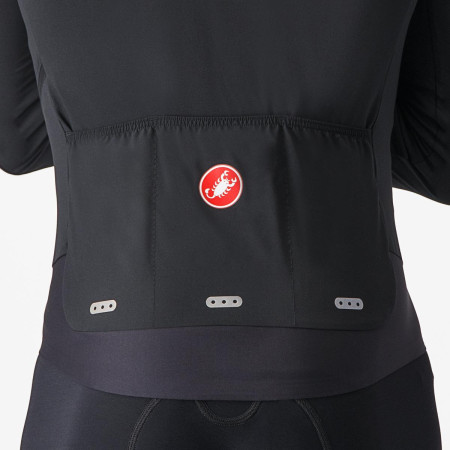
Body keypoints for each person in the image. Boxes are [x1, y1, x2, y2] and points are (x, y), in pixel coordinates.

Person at [1, 0, 447, 448]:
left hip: (108, 359)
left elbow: (17, 137)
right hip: (346, 359)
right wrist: (325, 136)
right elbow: (437, 155)